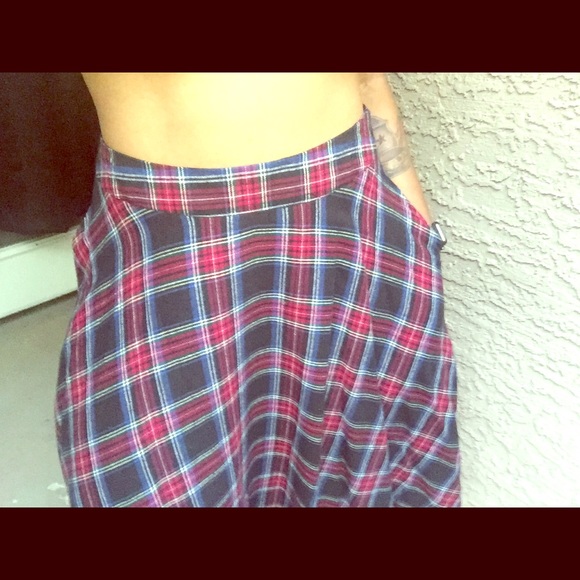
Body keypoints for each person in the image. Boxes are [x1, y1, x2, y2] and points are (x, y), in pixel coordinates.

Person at [56, 73, 460, 507]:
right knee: (150, 472)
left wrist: (420, 234)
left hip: (346, 221)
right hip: (156, 242)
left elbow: (368, 80)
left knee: (356, 472)